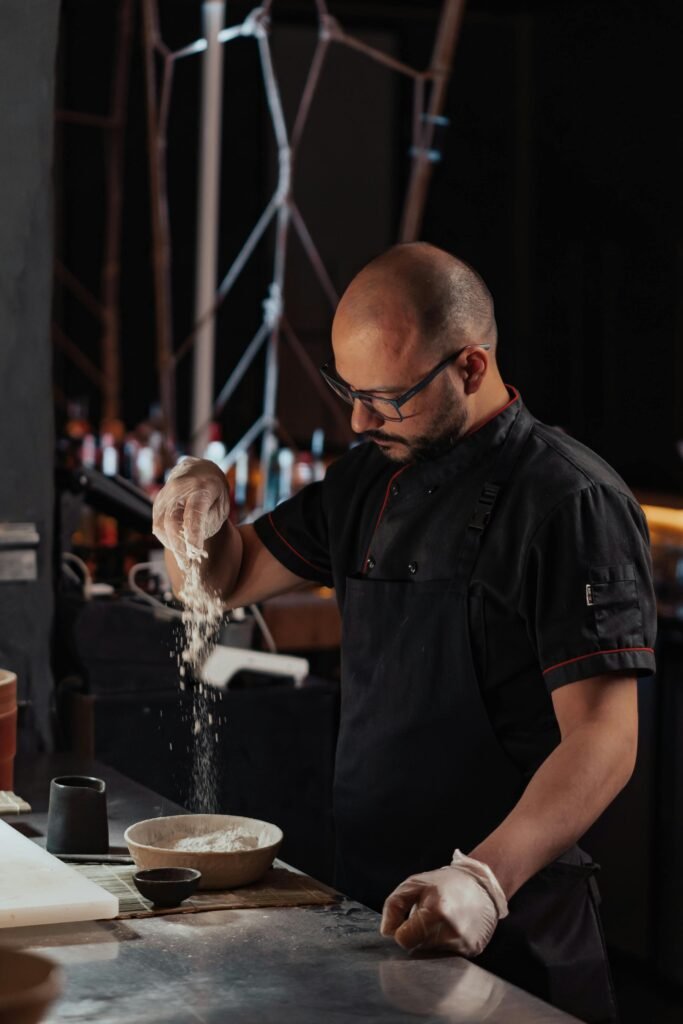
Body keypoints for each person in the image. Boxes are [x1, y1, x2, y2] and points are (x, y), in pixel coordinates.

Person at [153, 243, 656, 1024]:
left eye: (388, 398)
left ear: (470, 366)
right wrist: (197, 509)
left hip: (511, 921)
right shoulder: (366, 480)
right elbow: (219, 582)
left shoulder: (568, 501)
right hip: (368, 911)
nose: (358, 419)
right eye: (347, 391)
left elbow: (603, 738)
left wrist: (482, 879)